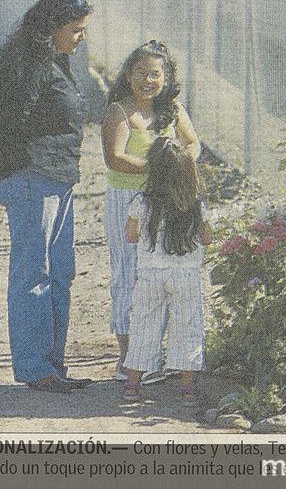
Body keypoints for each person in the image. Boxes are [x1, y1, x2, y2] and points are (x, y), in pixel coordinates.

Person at [0, 0, 93, 393]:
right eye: (75, 29)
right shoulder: (28, 61)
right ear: (53, 27)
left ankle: (51, 366)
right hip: (29, 177)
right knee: (33, 274)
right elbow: (3, 119)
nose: (81, 37)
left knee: (60, 272)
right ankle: (34, 367)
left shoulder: (55, 61)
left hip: (58, 178)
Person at [101, 41, 201, 382]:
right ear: (129, 76)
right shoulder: (120, 111)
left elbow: (192, 143)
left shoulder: (171, 108)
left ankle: (161, 355)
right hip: (128, 199)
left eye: (155, 74)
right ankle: (130, 360)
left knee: (167, 272)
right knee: (130, 274)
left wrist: (179, 167)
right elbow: (114, 158)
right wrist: (158, 167)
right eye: (141, 73)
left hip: (168, 201)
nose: (148, 80)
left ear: (166, 77)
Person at [121, 136, 212, 405]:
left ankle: (132, 384)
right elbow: (207, 238)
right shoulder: (195, 204)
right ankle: (187, 388)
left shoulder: (141, 202)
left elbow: (130, 235)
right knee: (188, 325)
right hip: (185, 274)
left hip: (150, 274)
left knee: (143, 326)